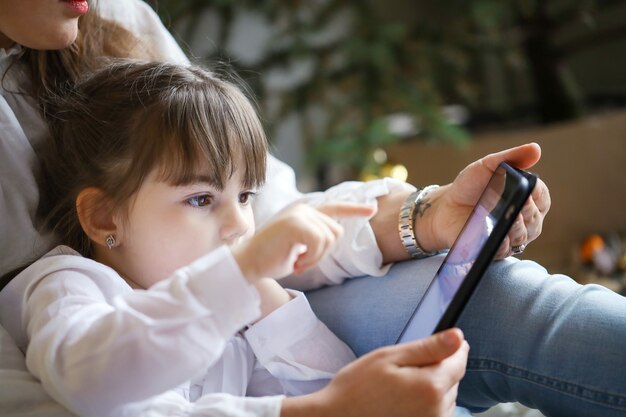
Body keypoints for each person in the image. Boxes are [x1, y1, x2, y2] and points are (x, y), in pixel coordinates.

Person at [0, 1, 623, 417]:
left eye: (241, 198)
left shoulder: (235, 298)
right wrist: (241, 276)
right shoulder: (66, 286)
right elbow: (92, 380)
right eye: (199, 200)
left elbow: (329, 387)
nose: (240, 224)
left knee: (512, 299)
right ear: (103, 218)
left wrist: (276, 310)